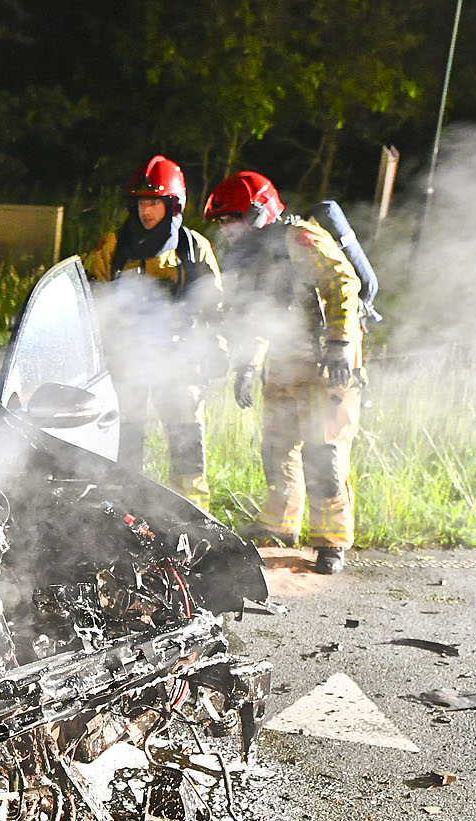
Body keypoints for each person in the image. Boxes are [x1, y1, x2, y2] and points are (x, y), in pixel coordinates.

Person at [202, 170, 364, 574]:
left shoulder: (301, 240)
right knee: (277, 445)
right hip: (284, 358)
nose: (226, 230)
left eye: (230, 220)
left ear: (257, 213)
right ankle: (279, 524)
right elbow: (261, 316)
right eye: (221, 222)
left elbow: (343, 282)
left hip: (328, 361)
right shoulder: (256, 258)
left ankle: (331, 542)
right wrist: (247, 366)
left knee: (323, 453)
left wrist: (342, 343)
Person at [83, 154, 223, 507]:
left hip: (179, 360)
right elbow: (89, 299)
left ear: (172, 204)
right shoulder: (113, 247)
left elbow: (214, 308)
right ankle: (126, 509)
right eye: (142, 202)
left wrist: (217, 349)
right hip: (126, 359)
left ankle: (192, 514)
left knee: (186, 434)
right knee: (125, 433)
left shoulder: (193, 248)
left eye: (154, 202)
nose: (146, 211)